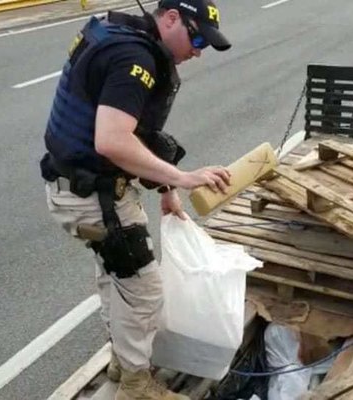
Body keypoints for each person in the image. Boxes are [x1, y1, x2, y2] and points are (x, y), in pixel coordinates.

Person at [39, 1, 231, 399]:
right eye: (197, 39)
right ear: (172, 18)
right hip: (93, 196)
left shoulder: (125, 37)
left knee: (116, 278)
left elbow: (139, 134)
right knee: (143, 291)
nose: (198, 51)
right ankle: (135, 386)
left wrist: (166, 190)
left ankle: (122, 362)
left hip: (83, 188)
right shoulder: (132, 58)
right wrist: (183, 177)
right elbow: (112, 140)